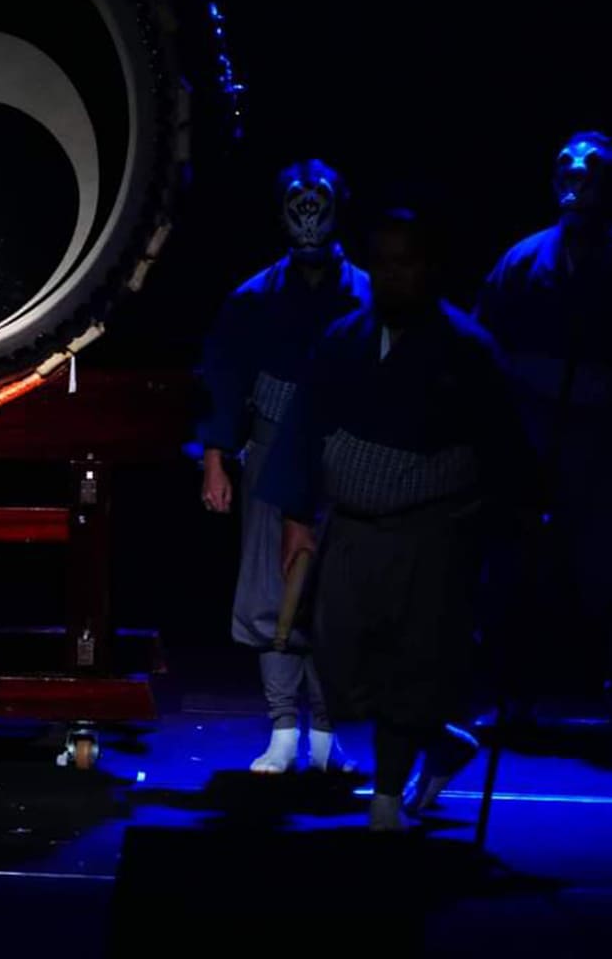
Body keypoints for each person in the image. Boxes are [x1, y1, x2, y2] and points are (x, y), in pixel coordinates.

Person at [260, 207, 531, 831]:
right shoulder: (344, 338)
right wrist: (296, 515)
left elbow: (504, 447)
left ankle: (385, 798)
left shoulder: (468, 348)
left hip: (432, 531)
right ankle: (441, 739)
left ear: (430, 268)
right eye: (381, 264)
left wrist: (515, 519)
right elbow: (305, 426)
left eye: (405, 264)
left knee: (414, 662)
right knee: (340, 662)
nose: (391, 277)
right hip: (353, 529)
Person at [477, 132, 612, 734]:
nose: (576, 173)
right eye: (566, 166)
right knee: (518, 576)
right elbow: (481, 348)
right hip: (532, 448)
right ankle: (513, 696)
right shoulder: (521, 261)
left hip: (609, 453)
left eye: (590, 167)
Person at [197, 160, 369, 773]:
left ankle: (324, 734)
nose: (309, 215)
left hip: (345, 457)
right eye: (297, 203)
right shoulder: (253, 297)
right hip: (271, 451)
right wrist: (216, 459)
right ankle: (281, 728)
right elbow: (223, 380)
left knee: (333, 596)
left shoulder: (366, 293)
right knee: (270, 592)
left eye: (320, 201)